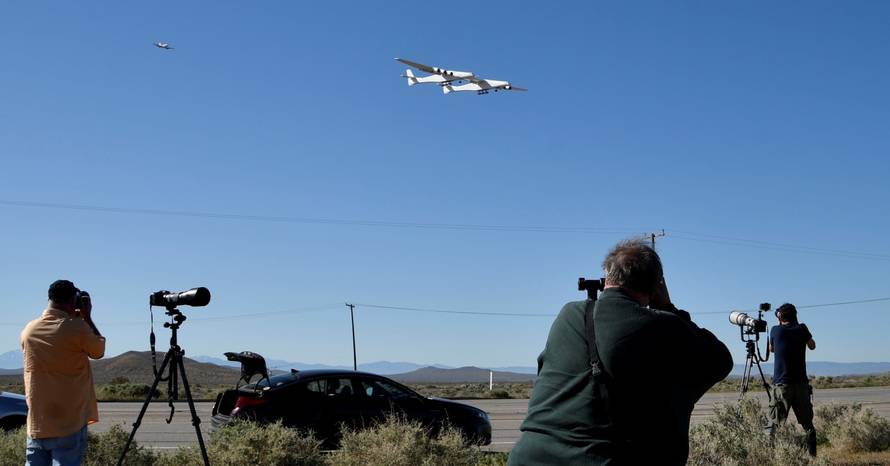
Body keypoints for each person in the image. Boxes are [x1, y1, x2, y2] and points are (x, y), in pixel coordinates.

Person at [508, 240, 733, 465]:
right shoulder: (662, 326)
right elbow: (720, 360)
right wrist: (668, 307)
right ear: (655, 286)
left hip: (530, 456)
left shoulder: (569, 314)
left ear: (607, 277)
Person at [21, 280, 106, 466]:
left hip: (38, 422)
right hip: (69, 421)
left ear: (48, 299)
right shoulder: (76, 327)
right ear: (73, 300)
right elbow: (98, 350)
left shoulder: (29, 330)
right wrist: (87, 317)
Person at [766, 302, 817, 456]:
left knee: (774, 424)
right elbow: (812, 346)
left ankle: (769, 455)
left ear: (780, 316)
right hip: (801, 384)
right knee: (808, 424)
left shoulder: (775, 330)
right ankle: (812, 455)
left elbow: (771, 349)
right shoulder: (802, 329)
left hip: (782, 385)